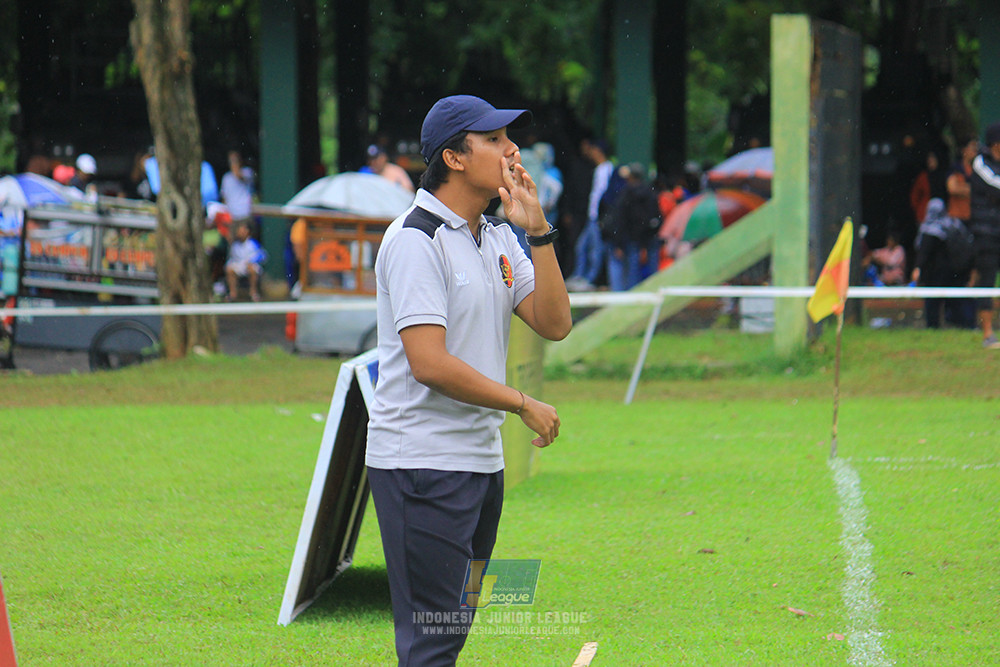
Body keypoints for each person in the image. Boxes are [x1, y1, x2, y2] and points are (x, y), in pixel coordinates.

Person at [365, 94, 571, 667]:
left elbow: (554, 323)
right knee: (433, 638)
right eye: (495, 140)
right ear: (454, 158)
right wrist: (520, 402)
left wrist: (540, 230)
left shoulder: (500, 235)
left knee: (451, 629)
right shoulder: (415, 238)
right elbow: (428, 363)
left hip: (480, 466)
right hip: (421, 466)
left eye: (510, 138)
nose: (513, 150)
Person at [912, 198, 976, 329]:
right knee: (955, 299)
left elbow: (925, 252)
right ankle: (961, 324)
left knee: (932, 301)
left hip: (934, 273)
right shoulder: (953, 224)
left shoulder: (930, 229)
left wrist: (918, 268)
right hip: (955, 271)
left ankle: (933, 326)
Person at [565, 138, 615, 291]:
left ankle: (589, 280)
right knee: (581, 246)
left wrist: (602, 216)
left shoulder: (607, 169)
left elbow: (606, 195)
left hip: (598, 217)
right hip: (591, 216)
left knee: (596, 250)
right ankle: (579, 276)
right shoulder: (598, 169)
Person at [969, 122, 1000, 348]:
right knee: (987, 281)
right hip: (986, 234)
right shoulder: (980, 163)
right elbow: (995, 187)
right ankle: (988, 335)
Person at [604, 163, 660, 291]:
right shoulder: (650, 192)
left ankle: (633, 300)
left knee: (632, 275)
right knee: (652, 275)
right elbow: (656, 216)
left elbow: (620, 219)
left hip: (631, 239)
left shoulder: (625, 194)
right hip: (649, 237)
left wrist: (618, 242)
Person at [225, 222, 265, 302]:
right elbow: (231, 258)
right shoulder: (235, 245)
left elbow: (262, 255)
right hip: (239, 266)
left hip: (251, 265)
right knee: (229, 269)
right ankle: (233, 293)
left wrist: (252, 261)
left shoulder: (252, 243)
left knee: (252, 269)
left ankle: (253, 293)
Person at [947, 137, 978, 222]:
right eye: (972, 146)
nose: (975, 150)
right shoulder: (955, 168)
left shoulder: (977, 169)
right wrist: (973, 190)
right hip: (957, 215)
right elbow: (953, 188)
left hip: (973, 215)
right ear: (964, 149)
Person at [220, 151, 255, 223]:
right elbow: (224, 197)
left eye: (235, 160)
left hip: (245, 216)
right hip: (232, 217)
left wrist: (236, 167)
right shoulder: (226, 178)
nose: (233, 163)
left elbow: (238, 176)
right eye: (231, 161)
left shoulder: (247, 172)